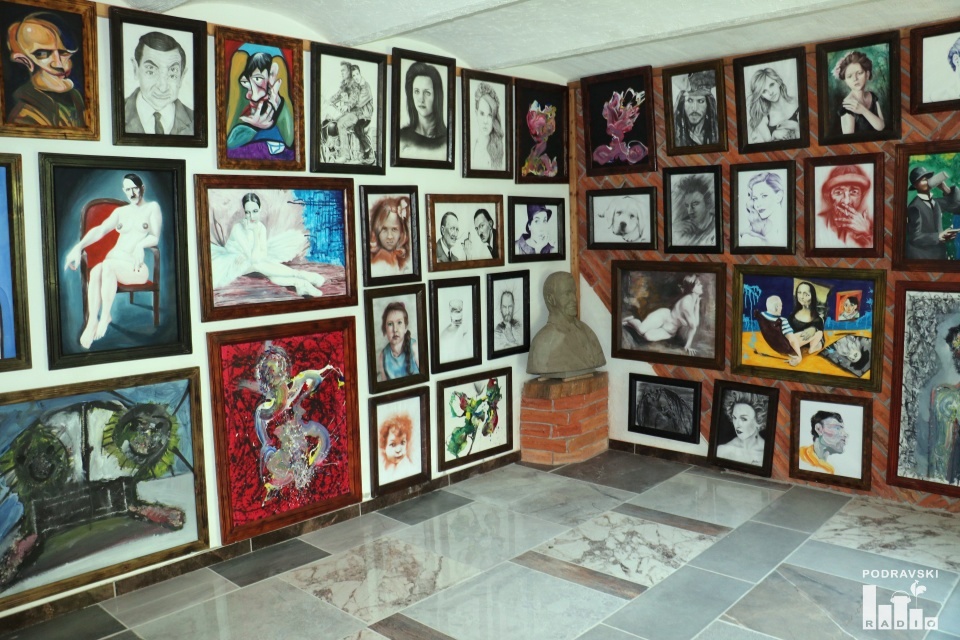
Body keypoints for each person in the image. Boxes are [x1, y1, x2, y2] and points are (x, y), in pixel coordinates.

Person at [64, 173, 161, 349]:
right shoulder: (120, 212)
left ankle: (105, 317)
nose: (132, 193)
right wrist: (77, 247)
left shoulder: (152, 208)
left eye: (135, 188)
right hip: (114, 261)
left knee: (106, 266)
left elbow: (155, 237)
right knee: (96, 271)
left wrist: (140, 245)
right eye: (128, 189)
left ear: (142, 188)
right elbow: (100, 230)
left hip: (135, 268)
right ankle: (92, 321)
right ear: (124, 190)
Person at [254, 345, 340, 496]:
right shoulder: (263, 412)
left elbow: (317, 376)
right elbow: (267, 446)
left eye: (279, 371)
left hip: (301, 445)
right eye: (272, 374)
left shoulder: (298, 384)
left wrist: (309, 390)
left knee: (321, 435)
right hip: (285, 458)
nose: (277, 376)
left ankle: (306, 468)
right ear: (267, 380)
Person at [210, 192, 326, 296]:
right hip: (234, 261)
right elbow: (254, 259)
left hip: (251, 260)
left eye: (255, 211)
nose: (251, 216)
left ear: (260, 209)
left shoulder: (261, 227)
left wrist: (256, 231)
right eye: (248, 212)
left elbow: (261, 256)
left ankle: (300, 284)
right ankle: (300, 275)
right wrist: (255, 233)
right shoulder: (238, 228)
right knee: (258, 265)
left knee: (266, 268)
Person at [6, 12, 85, 127]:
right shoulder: (25, 114)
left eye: (63, 52)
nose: (58, 64)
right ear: (24, 60)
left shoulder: (75, 97)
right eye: (42, 53)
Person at [528, 272, 606, 377]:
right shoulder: (542, 343)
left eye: (574, 292)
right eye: (567, 294)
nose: (574, 299)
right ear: (551, 299)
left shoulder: (587, 331)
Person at [226, 49, 294, 159]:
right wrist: (254, 126)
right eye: (246, 82)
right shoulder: (243, 111)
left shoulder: (279, 106)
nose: (249, 95)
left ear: (271, 77)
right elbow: (230, 142)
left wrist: (278, 103)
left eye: (258, 79)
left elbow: (290, 140)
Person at [124, 31, 193, 136]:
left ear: (182, 77)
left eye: (172, 74)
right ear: (136, 69)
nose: (162, 87)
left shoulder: (194, 121)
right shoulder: (117, 114)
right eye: (151, 71)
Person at [623, 274, 703, 356]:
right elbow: (693, 325)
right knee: (641, 330)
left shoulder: (693, 301)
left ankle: (630, 324)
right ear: (692, 289)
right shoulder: (686, 302)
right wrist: (687, 346)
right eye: (699, 284)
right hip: (664, 316)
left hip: (669, 330)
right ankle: (631, 320)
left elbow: (695, 324)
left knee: (647, 336)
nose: (701, 286)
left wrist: (697, 306)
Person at [905, 165, 960, 260]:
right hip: (922, 257)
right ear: (915, 185)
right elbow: (914, 237)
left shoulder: (935, 202)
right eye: (923, 180)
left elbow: (956, 205)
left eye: (928, 178)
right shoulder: (914, 207)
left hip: (939, 255)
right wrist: (938, 237)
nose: (927, 181)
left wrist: (944, 188)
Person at [816, 164, 873, 248]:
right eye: (838, 192)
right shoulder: (818, 221)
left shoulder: (869, 226)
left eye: (854, 192)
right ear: (829, 197)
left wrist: (866, 233)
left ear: (861, 196)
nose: (846, 201)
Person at [398, 61, 446, 160]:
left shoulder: (447, 140)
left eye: (427, 93)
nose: (421, 99)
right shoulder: (402, 137)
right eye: (416, 91)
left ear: (437, 96)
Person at [755, 295, 821, 367]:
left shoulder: (761, 316)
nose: (781, 308)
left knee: (800, 333)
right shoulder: (782, 321)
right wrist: (799, 356)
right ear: (776, 307)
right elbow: (792, 340)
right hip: (787, 348)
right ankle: (812, 349)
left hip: (776, 346)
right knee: (818, 333)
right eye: (781, 306)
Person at [833, 50, 885, 134]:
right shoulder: (847, 107)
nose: (855, 79)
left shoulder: (872, 96)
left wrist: (863, 110)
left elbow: (881, 126)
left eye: (859, 73)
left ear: (867, 74)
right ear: (846, 81)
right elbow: (849, 140)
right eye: (849, 76)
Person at [746, 67, 800, 143]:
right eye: (764, 91)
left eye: (771, 85)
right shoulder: (763, 120)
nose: (770, 92)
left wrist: (796, 127)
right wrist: (773, 135)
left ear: (778, 82)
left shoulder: (797, 102)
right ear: (761, 96)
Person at [716, 391, 767, 466]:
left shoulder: (767, 453)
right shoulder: (723, 450)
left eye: (744, 419)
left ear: (758, 421)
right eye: (734, 418)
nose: (737, 424)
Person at [673, 70, 719, 147]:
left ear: (708, 105)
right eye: (689, 100)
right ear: (682, 104)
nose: (694, 108)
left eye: (700, 101)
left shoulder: (716, 136)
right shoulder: (676, 136)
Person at [368, 195, 411, 277]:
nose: (389, 236)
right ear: (376, 231)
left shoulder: (398, 257)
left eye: (394, 229)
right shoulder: (379, 261)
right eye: (384, 229)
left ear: (402, 232)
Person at [740, 171, 786, 246]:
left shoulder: (786, 228)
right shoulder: (750, 235)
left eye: (764, 196)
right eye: (755, 199)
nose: (758, 204)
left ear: (779, 196)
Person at [376, 301, 419, 381]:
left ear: (405, 327)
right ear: (385, 329)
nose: (395, 329)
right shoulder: (383, 356)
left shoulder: (414, 347)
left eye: (399, 322)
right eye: (390, 324)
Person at [671, 174, 715, 247]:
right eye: (687, 206)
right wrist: (673, 229)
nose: (690, 211)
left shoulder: (715, 228)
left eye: (695, 204)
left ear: (708, 203)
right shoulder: (682, 227)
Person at [471, 82, 505, 170]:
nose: (485, 121)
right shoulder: (472, 148)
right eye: (482, 114)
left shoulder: (499, 149)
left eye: (490, 115)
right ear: (476, 113)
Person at [787, 281, 825, 357]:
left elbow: (821, 338)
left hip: (806, 352)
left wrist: (814, 329)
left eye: (806, 294)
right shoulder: (792, 316)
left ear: (812, 296)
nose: (801, 297)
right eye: (799, 293)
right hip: (791, 348)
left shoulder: (817, 320)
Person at [378, 412, 415, 482]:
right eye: (393, 444)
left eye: (402, 443)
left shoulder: (406, 467)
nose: (398, 450)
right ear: (384, 447)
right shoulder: (383, 466)